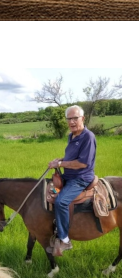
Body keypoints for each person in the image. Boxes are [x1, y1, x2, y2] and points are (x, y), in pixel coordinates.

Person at [47, 105, 97, 256]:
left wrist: (60, 164)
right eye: (69, 119)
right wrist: (60, 159)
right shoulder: (71, 136)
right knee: (49, 191)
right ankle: (54, 227)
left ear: (83, 118)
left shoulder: (88, 137)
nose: (72, 122)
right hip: (68, 175)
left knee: (62, 201)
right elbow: (72, 157)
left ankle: (65, 239)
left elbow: (83, 163)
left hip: (81, 178)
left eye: (75, 118)